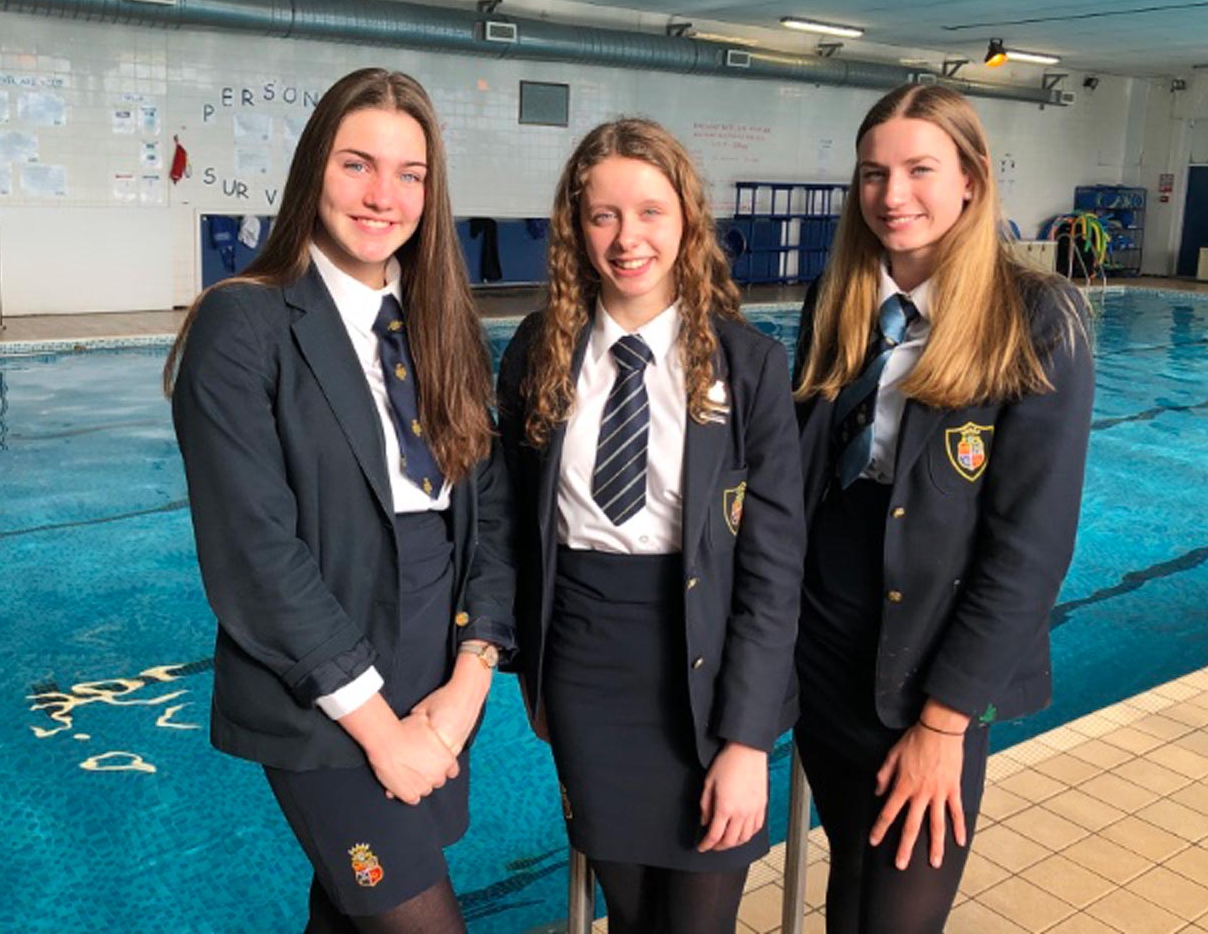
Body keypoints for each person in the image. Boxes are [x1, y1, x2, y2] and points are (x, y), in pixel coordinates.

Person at [166, 68, 515, 934]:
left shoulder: (441, 323)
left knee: (349, 911)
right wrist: (381, 731)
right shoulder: (243, 324)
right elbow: (256, 554)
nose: (383, 196)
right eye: (358, 164)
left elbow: (494, 517)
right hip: (328, 704)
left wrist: (471, 679)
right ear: (313, 169)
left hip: (436, 684)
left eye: (410, 174)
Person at [792, 84, 1095, 933]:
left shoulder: (1037, 317)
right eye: (873, 174)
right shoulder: (840, 301)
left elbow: (1029, 549)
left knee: (899, 915)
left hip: (928, 675)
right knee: (848, 881)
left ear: (971, 178)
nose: (894, 197)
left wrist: (944, 723)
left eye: (920, 170)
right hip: (826, 659)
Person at [497, 118, 804, 934]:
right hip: (589, 667)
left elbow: (774, 570)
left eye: (650, 212)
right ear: (575, 229)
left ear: (687, 222)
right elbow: (515, 525)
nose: (628, 238)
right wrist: (527, 667)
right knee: (631, 917)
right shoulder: (537, 352)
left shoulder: (750, 365)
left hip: (706, 674)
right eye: (603, 216)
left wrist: (745, 743)